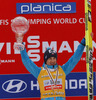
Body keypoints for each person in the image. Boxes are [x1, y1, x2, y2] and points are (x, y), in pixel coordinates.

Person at [15, 37, 86, 100]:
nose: (52, 61)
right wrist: (22, 49)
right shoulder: (39, 72)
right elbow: (27, 61)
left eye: (54, 58)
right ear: (46, 60)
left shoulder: (62, 70)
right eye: (50, 58)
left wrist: (82, 44)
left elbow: (74, 59)